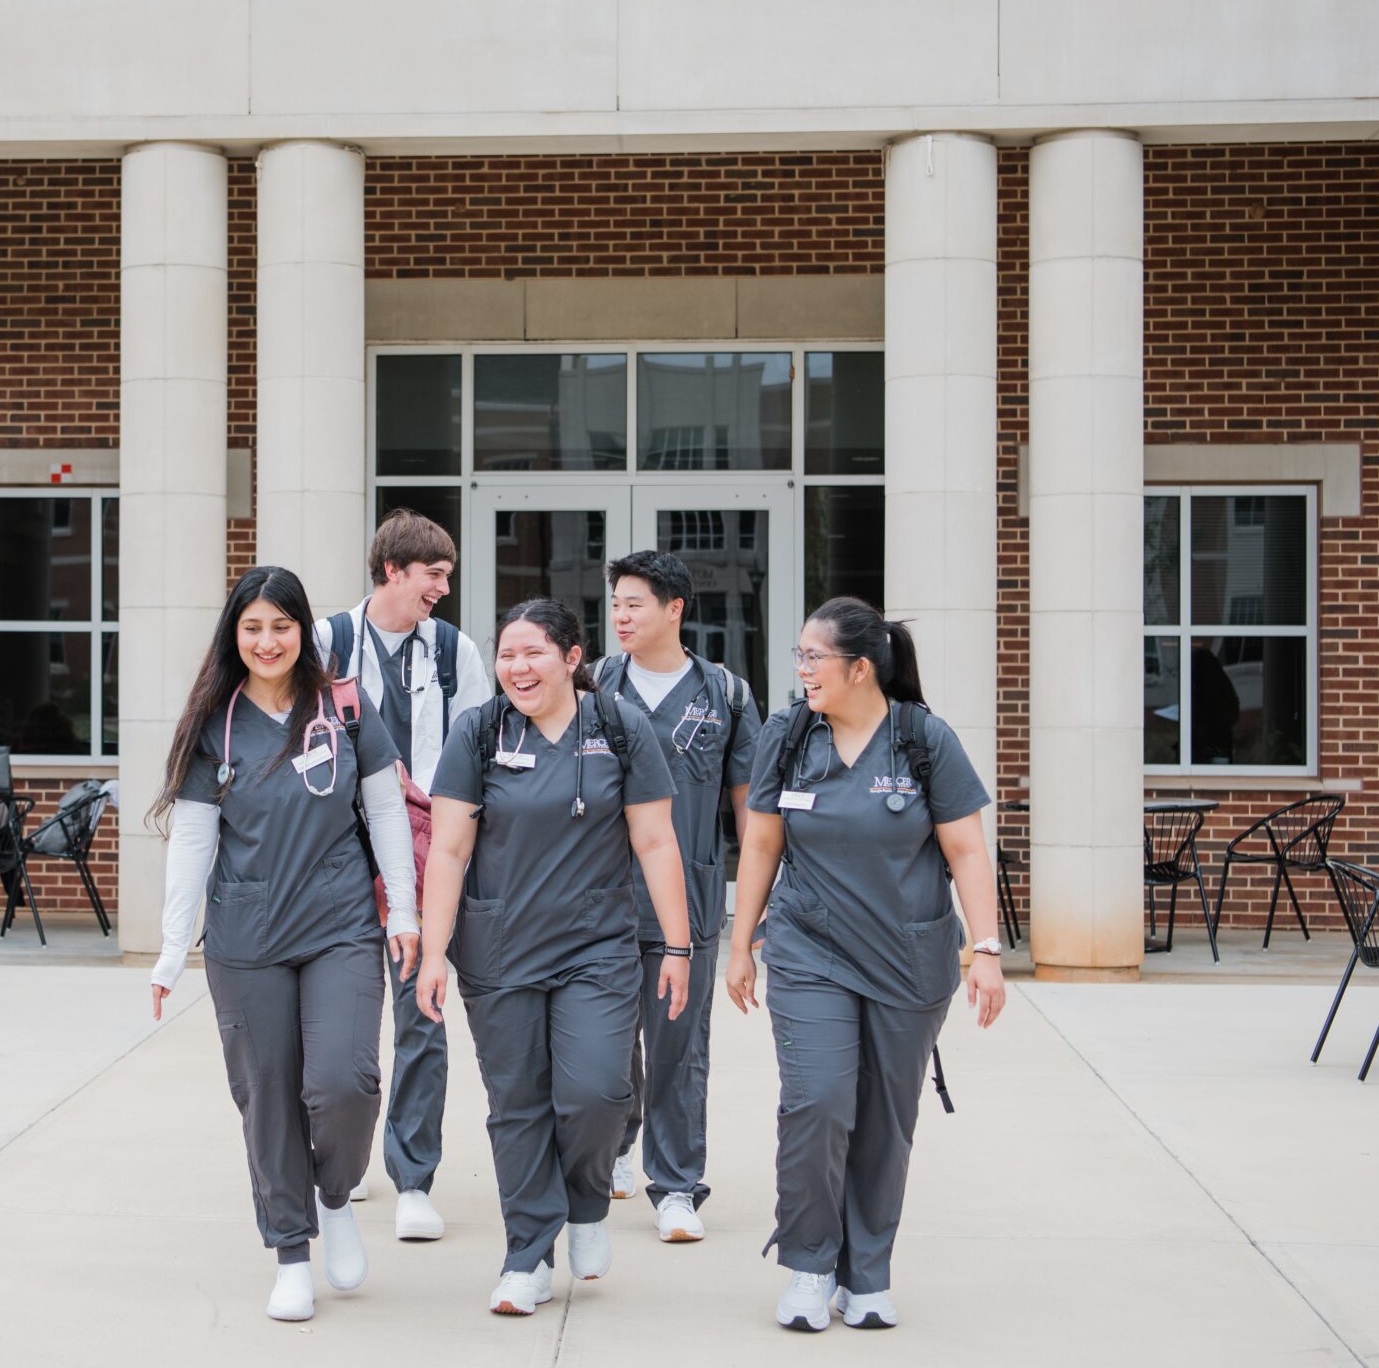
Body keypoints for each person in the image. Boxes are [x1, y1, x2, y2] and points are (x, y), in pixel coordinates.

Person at [725, 596, 1007, 1334]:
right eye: (799, 657)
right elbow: (760, 845)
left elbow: (968, 850)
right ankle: (811, 1266)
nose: (802, 670)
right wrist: (740, 942)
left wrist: (986, 950)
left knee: (885, 1120)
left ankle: (868, 1273)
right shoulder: (788, 736)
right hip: (808, 949)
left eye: (813, 658)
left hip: (908, 960)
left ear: (859, 668)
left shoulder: (922, 740)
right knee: (817, 1104)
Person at [148, 566, 421, 1325]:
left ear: (305, 630)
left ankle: (335, 1196)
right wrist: (174, 949)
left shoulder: (344, 706)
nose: (267, 641)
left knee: (344, 1082)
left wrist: (403, 911)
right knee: (267, 1096)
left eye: (281, 625)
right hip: (248, 935)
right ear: (234, 636)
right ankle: (291, 1251)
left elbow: (388, 814)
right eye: (252, 627)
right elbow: (194, 842)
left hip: (338, 927)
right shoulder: (216, 725)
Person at [416, 599, 693, 1317]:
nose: (516, 666)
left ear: (573, 658)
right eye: (506, 653)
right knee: (518, 1105)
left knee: (599, 1092)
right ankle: (527, 1256)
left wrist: (678, 943)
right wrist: (434, 951)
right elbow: (448, 847)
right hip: (499, 949)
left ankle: (587, 1206)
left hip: (596, 946)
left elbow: (657, 842)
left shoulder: (620, 728)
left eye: (533, 652)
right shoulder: (478, 733)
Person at [313, 508, 492, 1242]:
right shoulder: (327, 641)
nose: (443, 590)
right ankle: (340, 1166)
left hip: (423, 860)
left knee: (422, 1013)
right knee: (339, 1027)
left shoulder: (455, 652)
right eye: (434, 575)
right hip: (337, 861)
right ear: (393, 570)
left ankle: (414, 1177)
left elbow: (480, 750)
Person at [593, 550, 758, 1244]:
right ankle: (621, 1140)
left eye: (635, 604)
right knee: (602, 1046)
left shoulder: (724, 694)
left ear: (674, 610)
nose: (621, 616)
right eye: (617, 604)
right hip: (598, 899)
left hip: (684, 900)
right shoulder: (595, 685)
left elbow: (751, 810)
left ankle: (677, 1184)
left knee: (678, 1047)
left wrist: (752, 910)